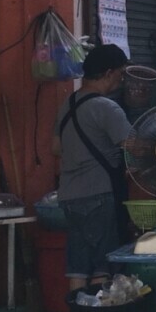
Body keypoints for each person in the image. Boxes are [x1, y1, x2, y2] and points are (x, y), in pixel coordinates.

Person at [52, 44, 133, 292]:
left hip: (68, 197)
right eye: (121, 73)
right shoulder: (107, 107)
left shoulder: (68, 103)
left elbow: (55, 148)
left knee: (78, 264)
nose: (122, 79)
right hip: (99, 195)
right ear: (109, 73)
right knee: (102, 265)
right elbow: (134, 147)